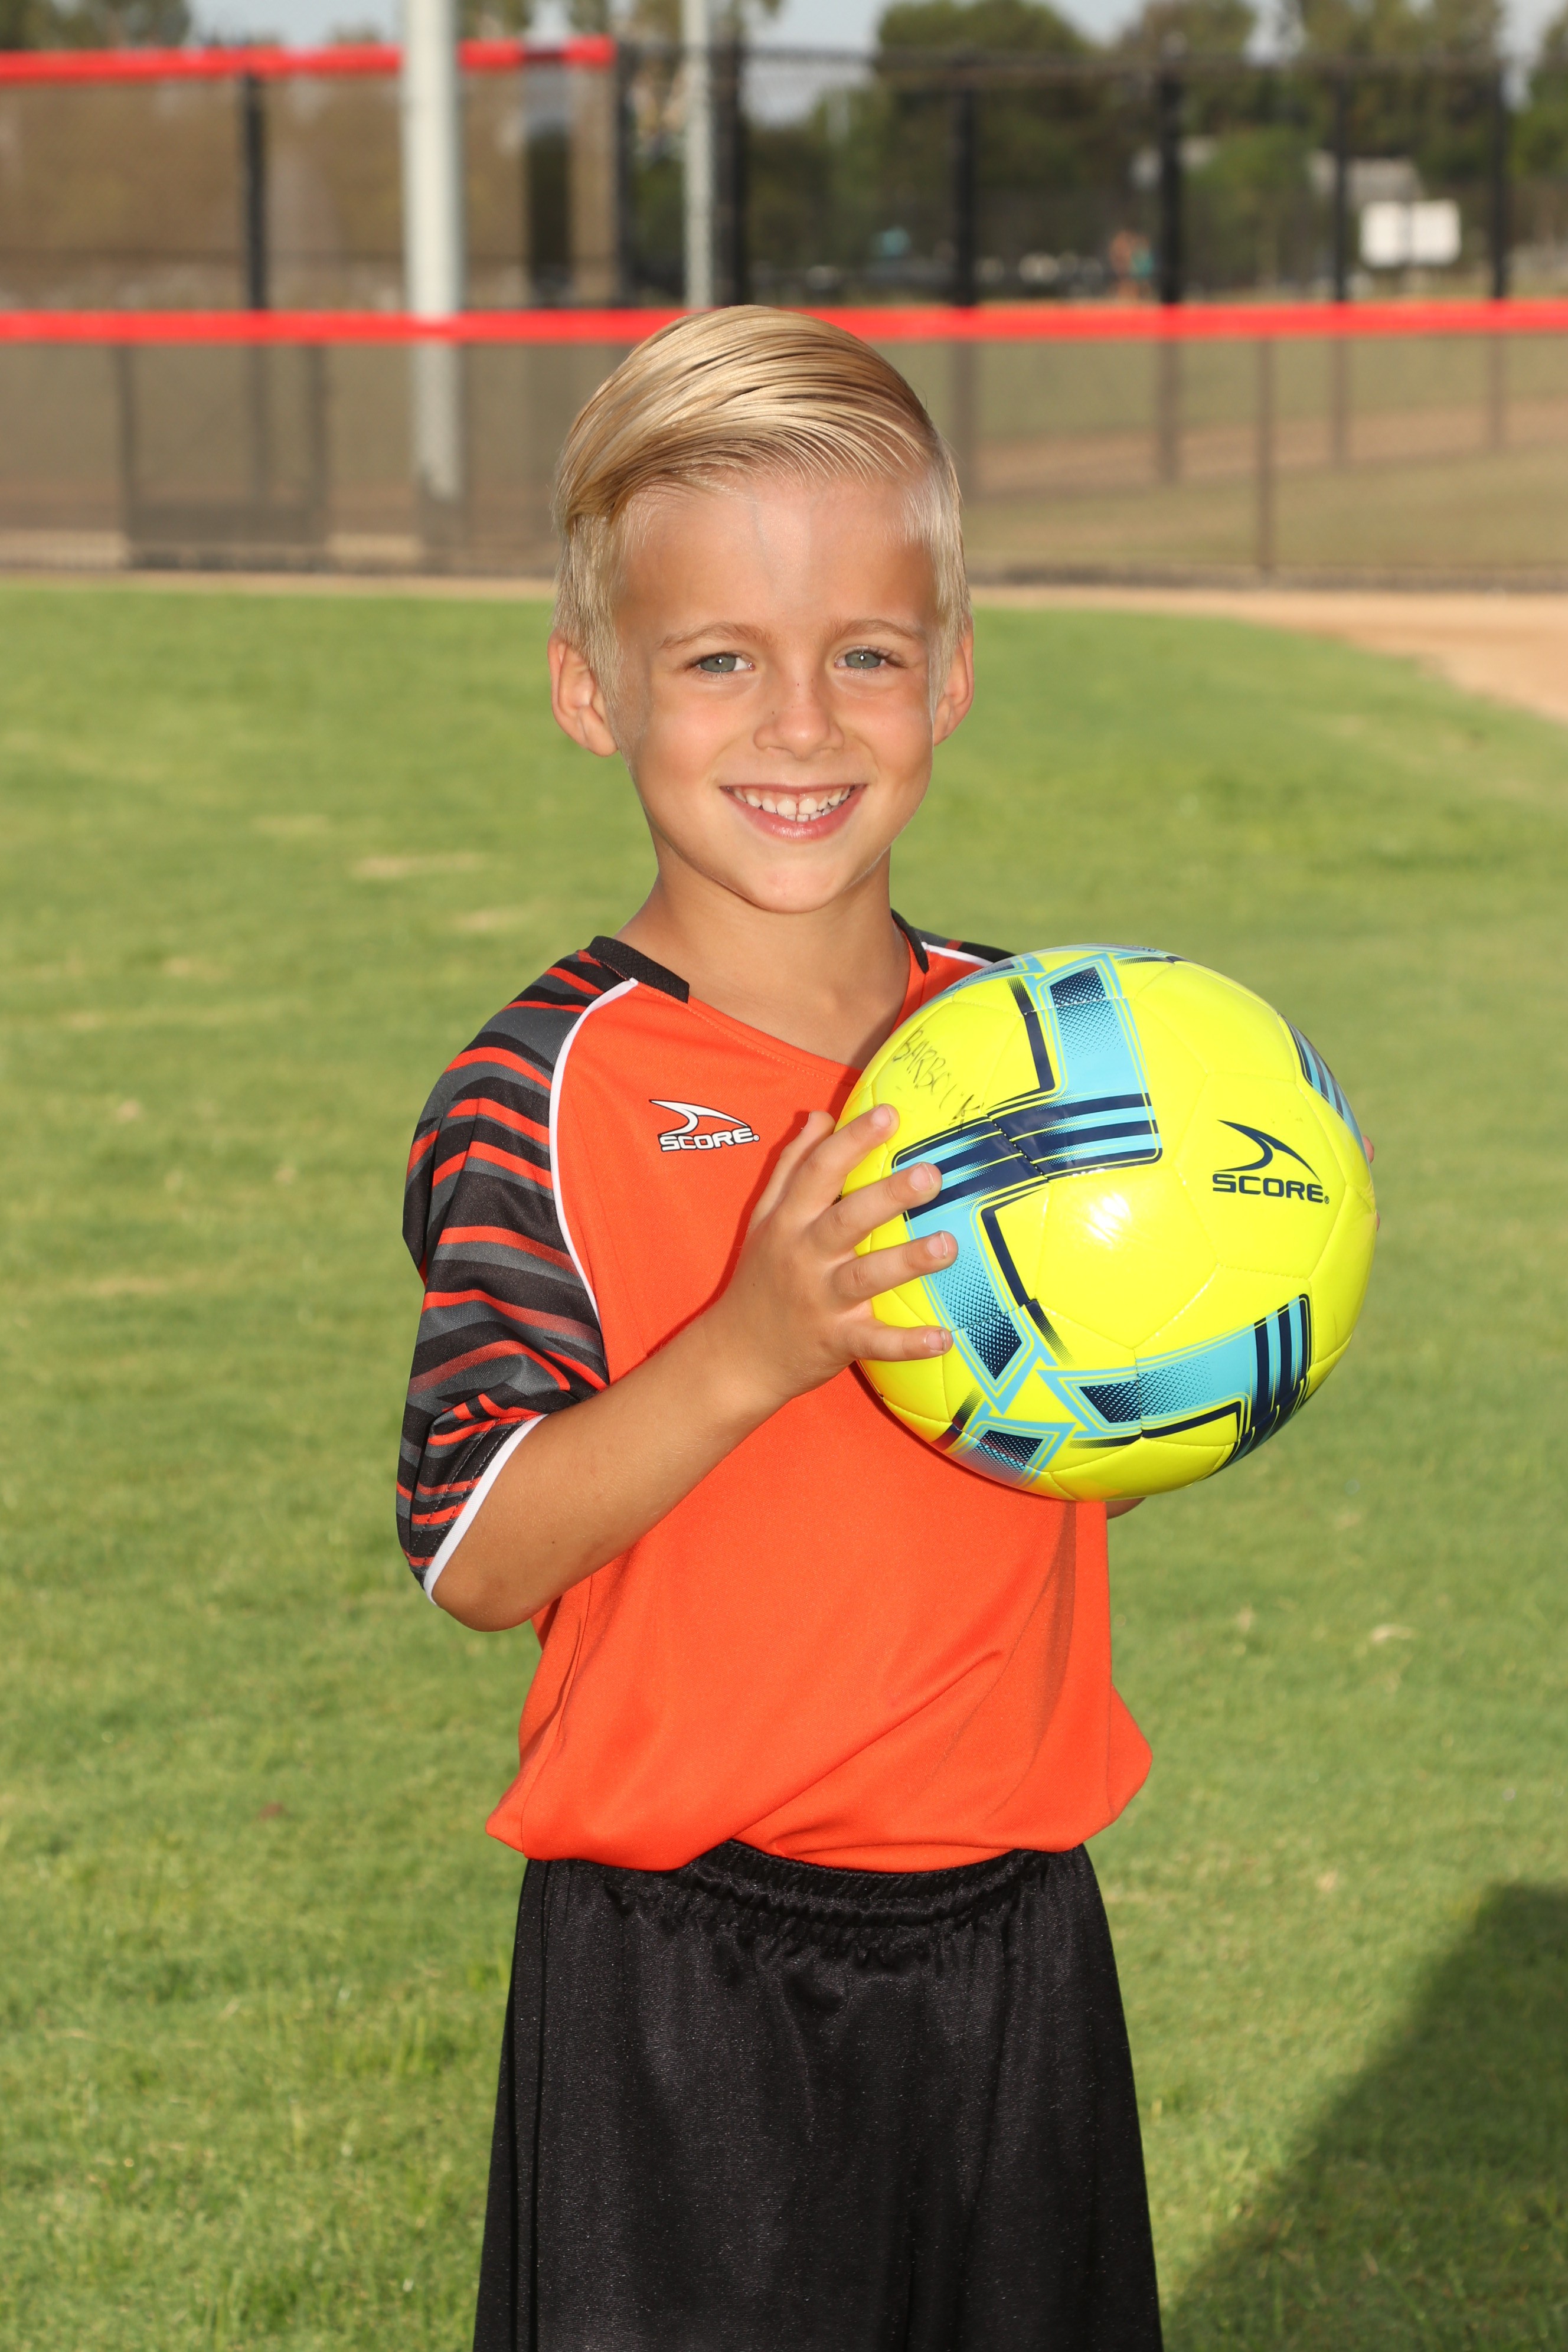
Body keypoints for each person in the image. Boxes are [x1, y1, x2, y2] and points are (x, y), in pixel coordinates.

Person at [396, 308, 1162, 2352]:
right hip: (685, 1978)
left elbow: (1073, 1441)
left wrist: (1183, 1340)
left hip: (1013, 1942)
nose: (802, 723)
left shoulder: (1036, 1056)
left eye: (868, 655)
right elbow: (474, 1547)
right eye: (720, 659)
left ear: (953, 673)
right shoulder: (541, 1092)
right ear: (593, 689)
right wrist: (750, 1346)